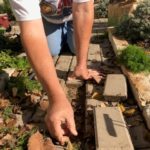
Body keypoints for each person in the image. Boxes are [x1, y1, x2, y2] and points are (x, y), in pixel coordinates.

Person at [9, 0, 94, 145]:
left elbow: (84, 9)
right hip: (50, 18)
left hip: (74, 15)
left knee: (75, 48)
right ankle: (60, 31)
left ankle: (68, 30)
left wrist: (81, 65)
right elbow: (31, 29)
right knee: (52, 50)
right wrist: (56, 98)